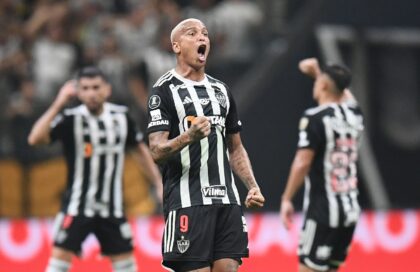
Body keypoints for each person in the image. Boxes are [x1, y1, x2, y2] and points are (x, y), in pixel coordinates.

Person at [146, 18, 265, 272]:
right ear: (177, 46)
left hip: (227, 203)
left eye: (205, 34)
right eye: (192, 33)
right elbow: (156, 151)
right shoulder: (163, 90)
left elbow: (235, 147)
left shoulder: (221, 90)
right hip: (188, 203)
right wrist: (189, 136)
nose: (202, 38)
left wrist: (252, 186)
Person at [28, 67, 162, 272]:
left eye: (96, 87)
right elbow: (35, 138)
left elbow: (141, 151)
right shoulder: (70, 118)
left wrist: (158, 183)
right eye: (85, 88)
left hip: (112, 208)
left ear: (107, 89)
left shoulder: (121, 118)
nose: (91, 93)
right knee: (56, 266)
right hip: (77, 206)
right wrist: (59, 102)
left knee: (127, 267)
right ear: (78, 92)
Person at [280, 58, 364, 272]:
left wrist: (287, 198)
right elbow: (344, 93)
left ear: (324, 85)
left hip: (322, 212)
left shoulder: (314, 117)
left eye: (318, 81)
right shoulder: (355, 115)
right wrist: (319, 73)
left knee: (309, 267)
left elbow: (302, 161)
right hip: (349, 211)